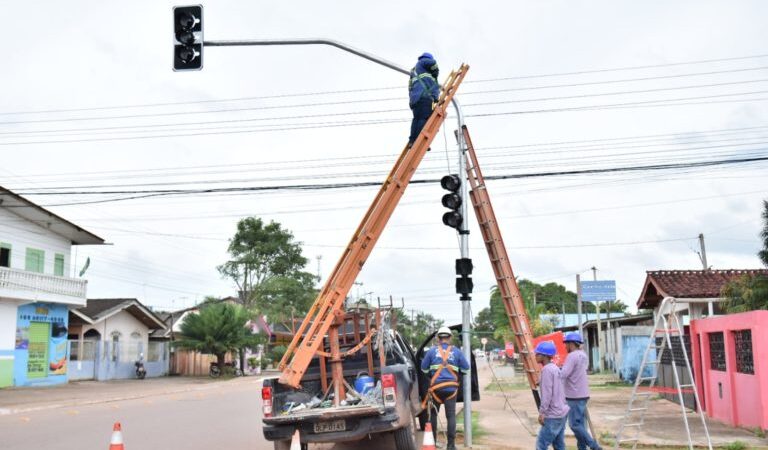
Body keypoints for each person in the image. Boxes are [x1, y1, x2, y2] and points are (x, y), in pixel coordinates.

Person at [421, 326, 470, 450]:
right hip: (451, 390)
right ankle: (451, 446)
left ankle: (433, 443)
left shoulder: (431, 351)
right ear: (450, 338)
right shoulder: (457, 352)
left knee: (432, 415)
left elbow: (423, 369)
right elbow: (466, 369)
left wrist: (432, 375)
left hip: (435, 389)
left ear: (438, 338)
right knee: (451, 416)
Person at [561, 332, 602, 450]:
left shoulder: (572, 356)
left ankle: (594, 446)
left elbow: (563, 374)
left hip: (574, 395)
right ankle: (582, 448)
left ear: (571, 344)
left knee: (574, 424)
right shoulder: (583, 355)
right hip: (583, 394)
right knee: (580, 425)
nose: (565, 347)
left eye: (566, 344)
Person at [535, 341, 569, 450]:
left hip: (552, 415)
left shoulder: (546, 370)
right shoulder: (555, 368)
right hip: (562, 412)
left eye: (538, 354)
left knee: (541, 445)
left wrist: (542, 412)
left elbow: (547, 395)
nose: (535, 356)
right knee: (559, 446)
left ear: (544, 356)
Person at [408, 52, 440, 147]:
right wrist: (436, 70)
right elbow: (432, 63)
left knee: (416, 119)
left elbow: (410, 88)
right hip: (424, 96)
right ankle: (419, 140)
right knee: (423, 118)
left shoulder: (414, 71)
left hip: (415, 99)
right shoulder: (423, 62)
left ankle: (412, 140)